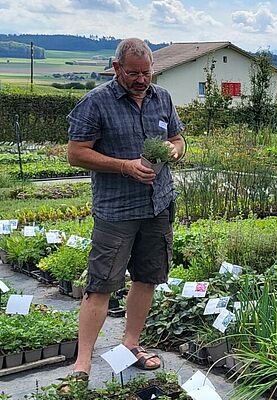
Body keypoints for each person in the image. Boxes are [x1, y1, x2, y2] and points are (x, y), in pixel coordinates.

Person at [60, 38, 185, 392]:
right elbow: (76, 154)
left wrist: (173, 153)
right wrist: (124, 166)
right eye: (133, 73)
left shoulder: (163, 98)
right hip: (116, 211)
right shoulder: (95, 102)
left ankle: (131, 344)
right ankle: (82, 363)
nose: (141, 79)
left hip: (157, 205)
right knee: (101, 284)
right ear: (116, 69)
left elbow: (178, 139)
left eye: (146, 72)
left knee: (147, 278)